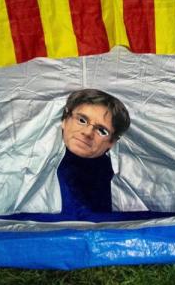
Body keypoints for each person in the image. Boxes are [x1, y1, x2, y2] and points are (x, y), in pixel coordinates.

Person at [56, 88, 131, 216]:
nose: (87, 132)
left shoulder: (105, 171)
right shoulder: (41, 161)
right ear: (64, 120)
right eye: (82, 120)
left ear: (111, 142)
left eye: (102, 131)